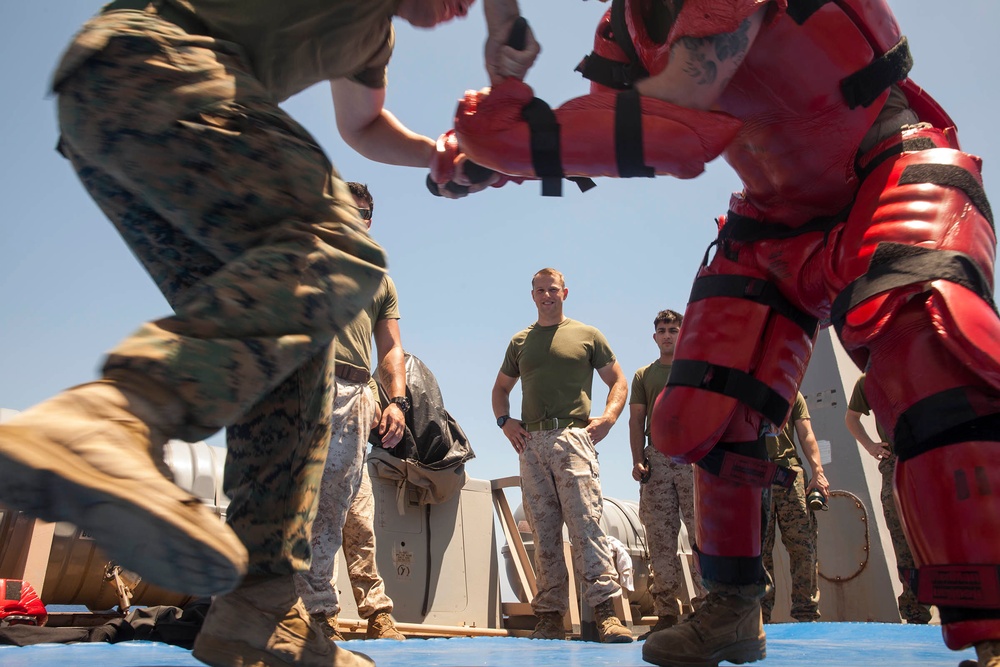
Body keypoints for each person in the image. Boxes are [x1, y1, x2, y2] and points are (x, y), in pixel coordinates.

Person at [457, 1, 1000, 665]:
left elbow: (677, 120)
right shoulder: (622, 27)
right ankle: (732, 607)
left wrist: (520, 138)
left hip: (887, 168)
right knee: (708, 409)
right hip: (771, 216)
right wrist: (506, 159)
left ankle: (993, 626)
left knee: (931, 367)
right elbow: (614, 128)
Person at [0, 1, 492, 666]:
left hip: (106, 113)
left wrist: (439, 154)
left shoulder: (374, 36)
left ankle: (260, 610)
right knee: (338, 245)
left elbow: (364, 122)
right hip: (150, 62)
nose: (461, 10)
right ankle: (111, 418)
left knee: (293, 351)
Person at [491, 267, 633, 644]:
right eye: (540, 290)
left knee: (587, 526)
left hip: (573, 438)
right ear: (532, 295)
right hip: (532, 445)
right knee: (544, 533)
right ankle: (550, 618)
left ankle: (606, 616)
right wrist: (505, 422)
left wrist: (609, 418)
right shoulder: (520, 342)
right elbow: (501, 389)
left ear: (564, 293)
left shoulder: (587, 335)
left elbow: (618, 379)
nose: (546, 295)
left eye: (552, 289)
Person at [296, 183, 407, 642]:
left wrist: (395, 401)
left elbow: (392, 348)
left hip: (359, 395)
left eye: (361, 213)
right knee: (320, 509)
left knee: (356, 512)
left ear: (369, 221)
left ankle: (376, 610)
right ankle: (318, 613)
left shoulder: (380, 279)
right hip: (309, 389)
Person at [628, 309, 706, 637]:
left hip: (693, 458)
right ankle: (666, 616)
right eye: (662, 330)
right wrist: (637, 460)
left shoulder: (696, 370)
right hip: (656, 460)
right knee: (660, 539)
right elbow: (636, 420)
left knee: (702, 536)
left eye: (673, 329)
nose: (667, 335)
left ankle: (706, 609)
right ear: (654, 336)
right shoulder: (644, 375)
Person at [845, 373, 932, 625]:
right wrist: (871, 446)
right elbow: (852, 419)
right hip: (895, 465)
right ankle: (916, 613)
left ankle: (961, 609)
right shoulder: (868, 381)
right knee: (903, 541)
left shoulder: (919, 368)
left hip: (929, 461)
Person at [761, 392, 828, 624]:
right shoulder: (742, 389)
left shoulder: (790, 392)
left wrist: (818, 472)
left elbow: (806, 433)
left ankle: (806, 613)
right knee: (758, 552)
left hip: (789, 474)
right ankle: (760, 617)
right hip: (754, 476)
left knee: (804, 547)